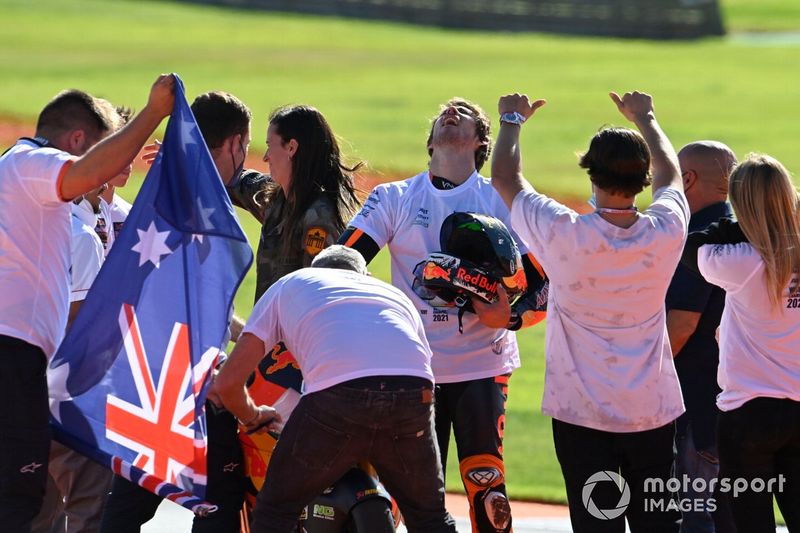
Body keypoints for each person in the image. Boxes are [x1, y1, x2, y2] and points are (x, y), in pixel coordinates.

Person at [339, 97, 548, 533]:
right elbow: (342, 262)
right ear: (431, 141)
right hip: (412, 368)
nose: (452, 112)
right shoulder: (393, 197)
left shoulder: (501, 199)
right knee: (404, 492)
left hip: (483, 367)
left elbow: (543, 290)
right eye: (443, 113)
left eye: (464, 112)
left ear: (480, 142)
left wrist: (508, 318)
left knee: (487, 487)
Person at [491, 91, 686, 533]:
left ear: (591, 173)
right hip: (651, 411)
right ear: (642, 178)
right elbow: (672, 177)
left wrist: (511, 119)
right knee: (660, 525)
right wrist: (646, 117)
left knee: (597, 524)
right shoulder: (666, 231)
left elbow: (504, 176)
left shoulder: (564, 232)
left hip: (580, 415)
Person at [0, 74, 174, 532]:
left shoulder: (24, 184)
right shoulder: (32, 162)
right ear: (76, 140)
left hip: (23, 358)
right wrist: (154, 112)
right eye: (101, 148)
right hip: (16, 356)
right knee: (21, 499)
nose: (110, 163)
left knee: (26, 497)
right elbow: (89, 174)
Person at [213, 245, 458, 533]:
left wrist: (253, 416)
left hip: (337, 399)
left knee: (275, 511)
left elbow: (228, 383)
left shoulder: (290, 284)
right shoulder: (393, 295)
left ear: (314, 271)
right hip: (413, 395)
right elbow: (420, 371)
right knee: (431, 519)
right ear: (364, 275)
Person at [100, 90, 249, 533]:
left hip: (149, 383)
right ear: (234, 143)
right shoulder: (207, 210)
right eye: (245, 146)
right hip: (189, 384)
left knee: (127, 506)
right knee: (220, 502)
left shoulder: (164, 194)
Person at [681, 154, 800, 532]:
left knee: (747, 524)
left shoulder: (741, 260)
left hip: (747, 414)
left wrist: (739, 225)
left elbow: (691, 247)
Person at [666, 141, 737, 533]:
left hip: (695, 406)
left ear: (688, 179)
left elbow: (681, 323)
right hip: (731, 401)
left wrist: (639, 376)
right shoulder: (740, 231)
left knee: (696, 519)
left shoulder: (699, 237)